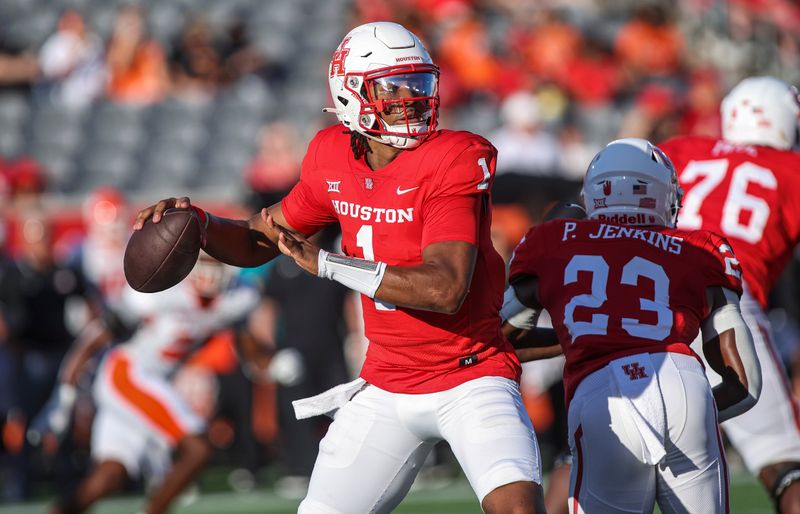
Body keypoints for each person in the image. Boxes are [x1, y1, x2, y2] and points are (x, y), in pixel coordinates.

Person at [135, 21, 546, 514]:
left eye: (418, 84)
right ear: (351, 94)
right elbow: (261, 239)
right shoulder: (332, 155)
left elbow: (446, 288)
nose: (411, 99)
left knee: (518, 510)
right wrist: (198, 223)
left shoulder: (454, 156)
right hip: (386, 382)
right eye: (393, 88)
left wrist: (330, 264)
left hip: (470, 375)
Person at [500, 138, 761, 513]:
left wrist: (581, 335)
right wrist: (696, 413)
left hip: (602, 389)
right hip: (682, 380)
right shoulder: (701, 247)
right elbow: (745, 383)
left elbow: (503, 337)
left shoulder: (554, 239)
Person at [658, 75, 800, 513]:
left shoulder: (679, 149)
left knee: (588, 446)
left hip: (639, 296)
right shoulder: (790, 171)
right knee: (783, 459)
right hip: (722, 300)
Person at [34, 253, 260, 514]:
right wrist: (63, 399)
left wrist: (270, 363)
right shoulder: (162, 292)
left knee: (109, 477)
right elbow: (94, 339)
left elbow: (247, 342)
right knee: (198, 448)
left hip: (147, 382)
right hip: (129, 374)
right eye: (203, 264)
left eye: (215, 264)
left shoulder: (237, 299)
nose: (209, 274)